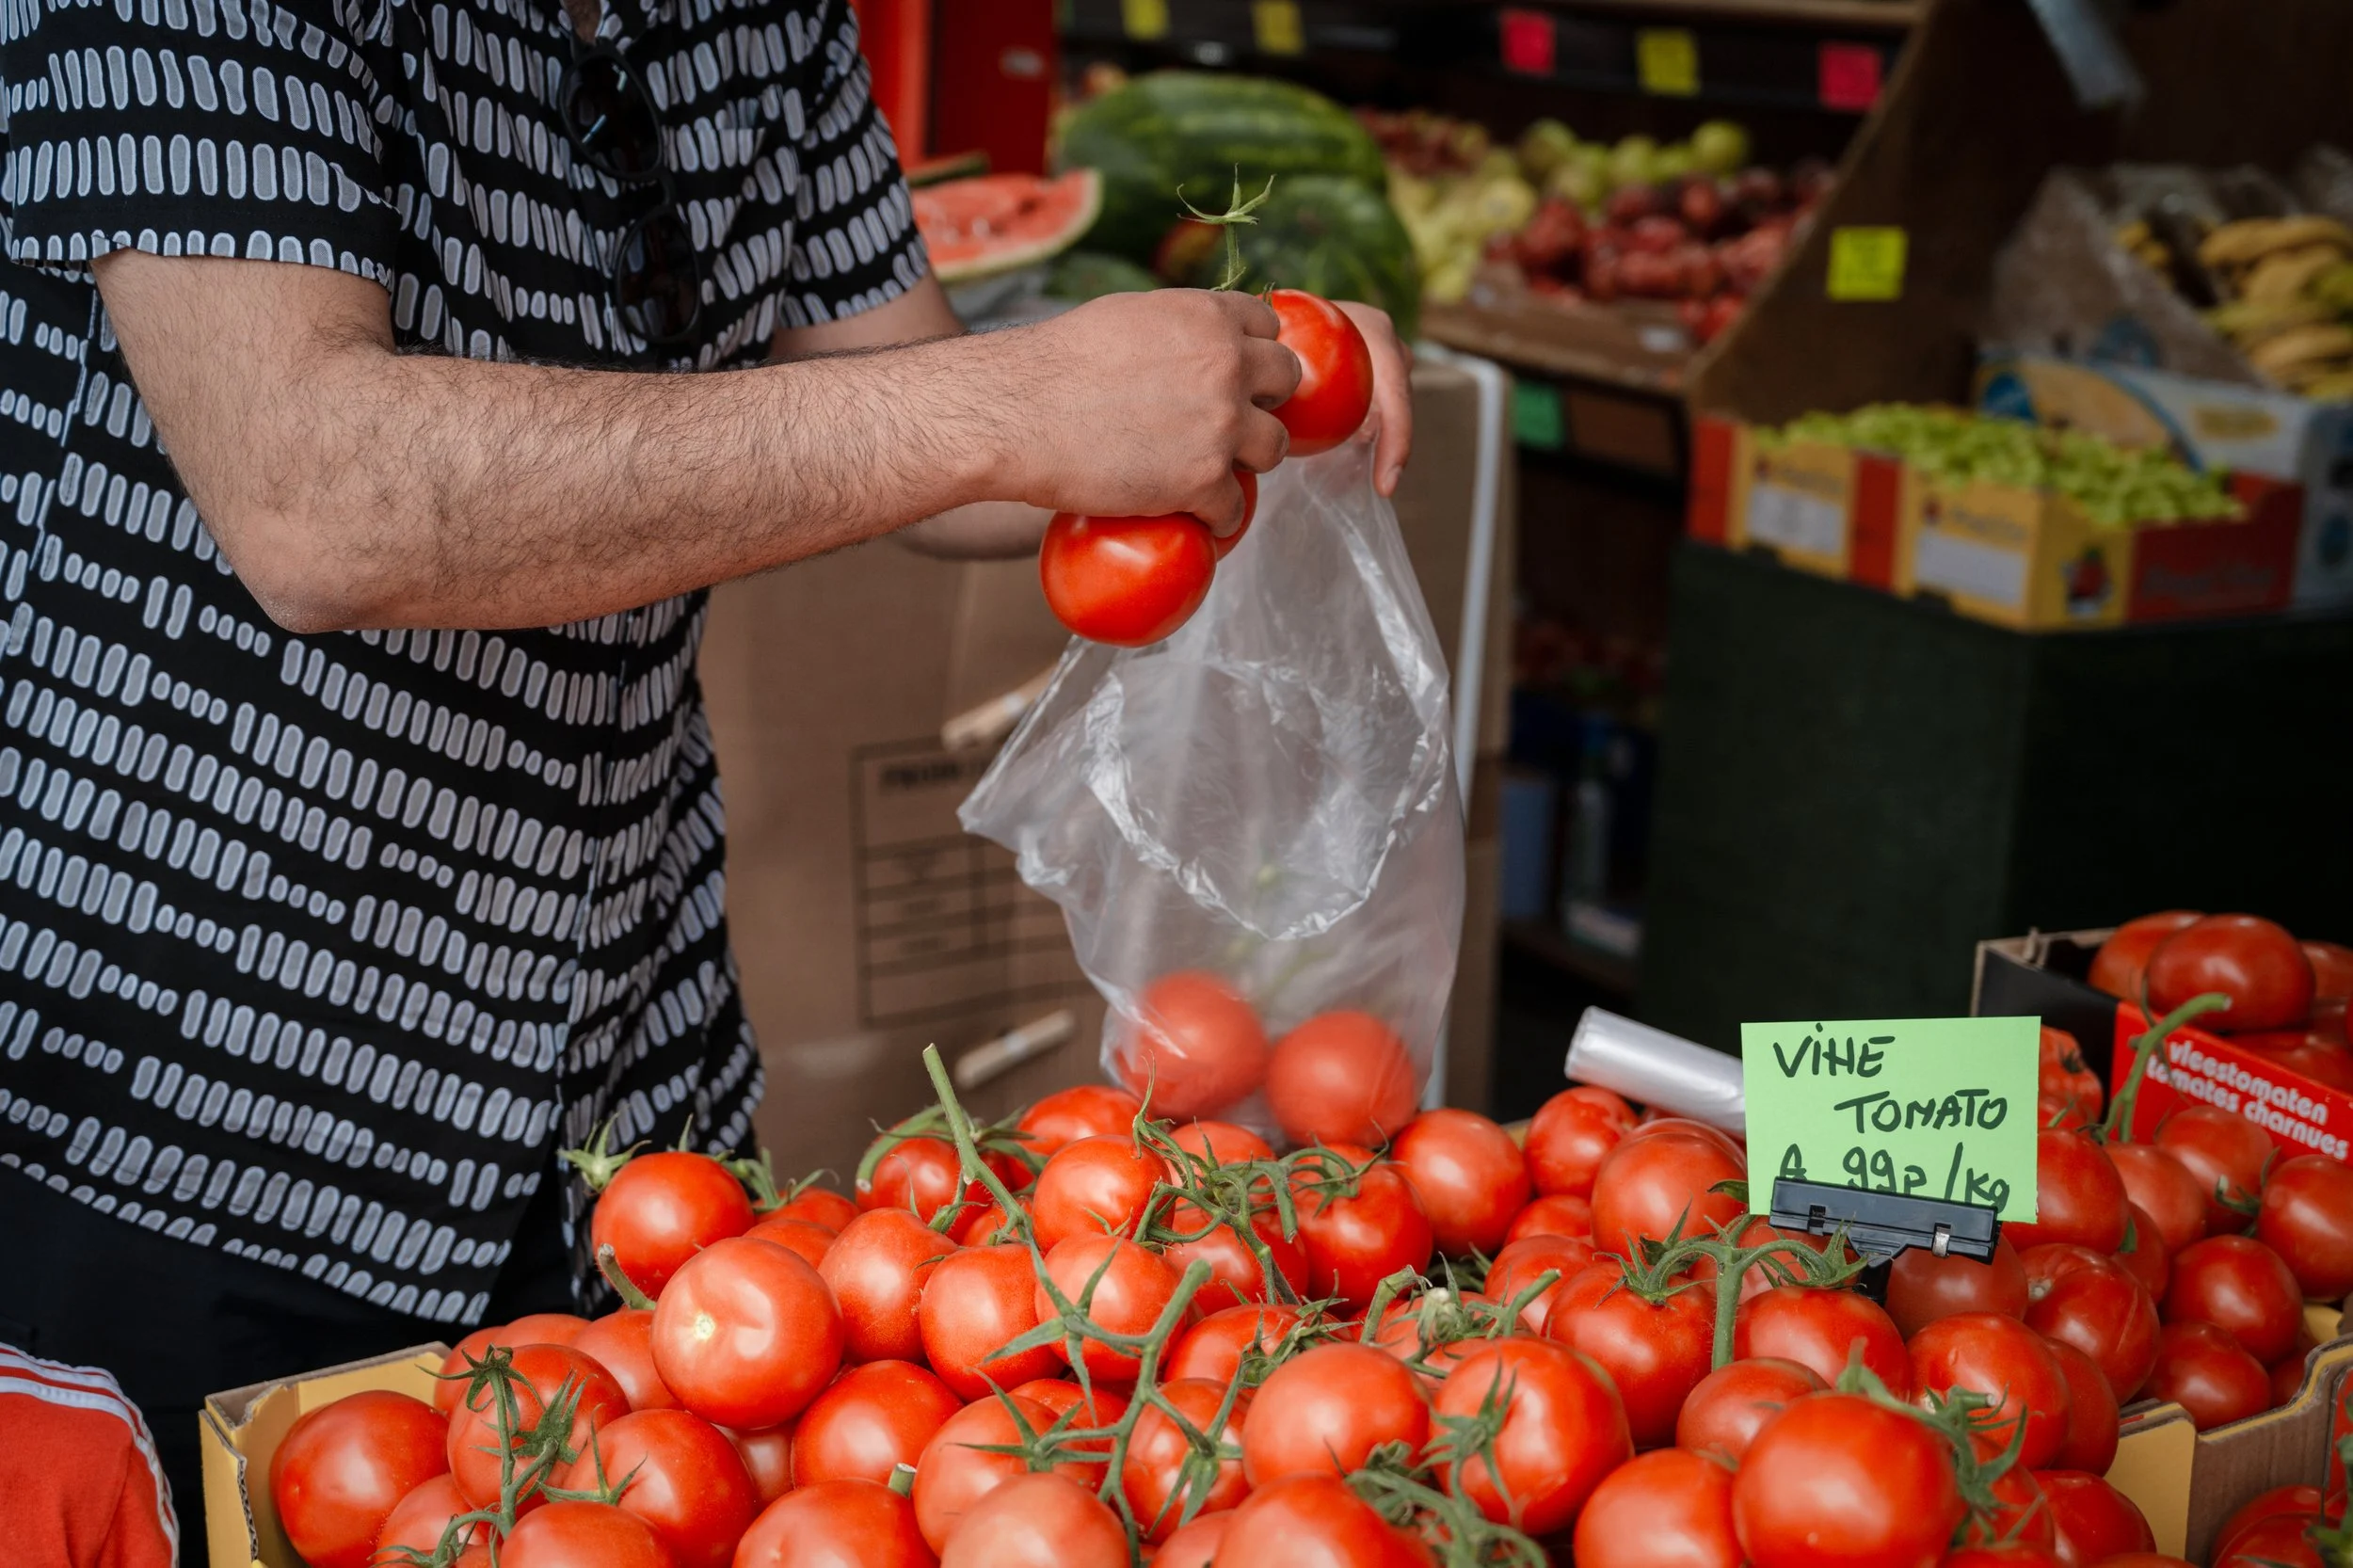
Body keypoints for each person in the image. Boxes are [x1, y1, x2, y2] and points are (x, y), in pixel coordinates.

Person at [0, 0, 1412, 1525]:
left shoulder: (760, 18)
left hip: (616, 1084)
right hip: (191, 1105)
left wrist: (1237, 387)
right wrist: (1014, 407)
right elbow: (320, 497)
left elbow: (911, 396)